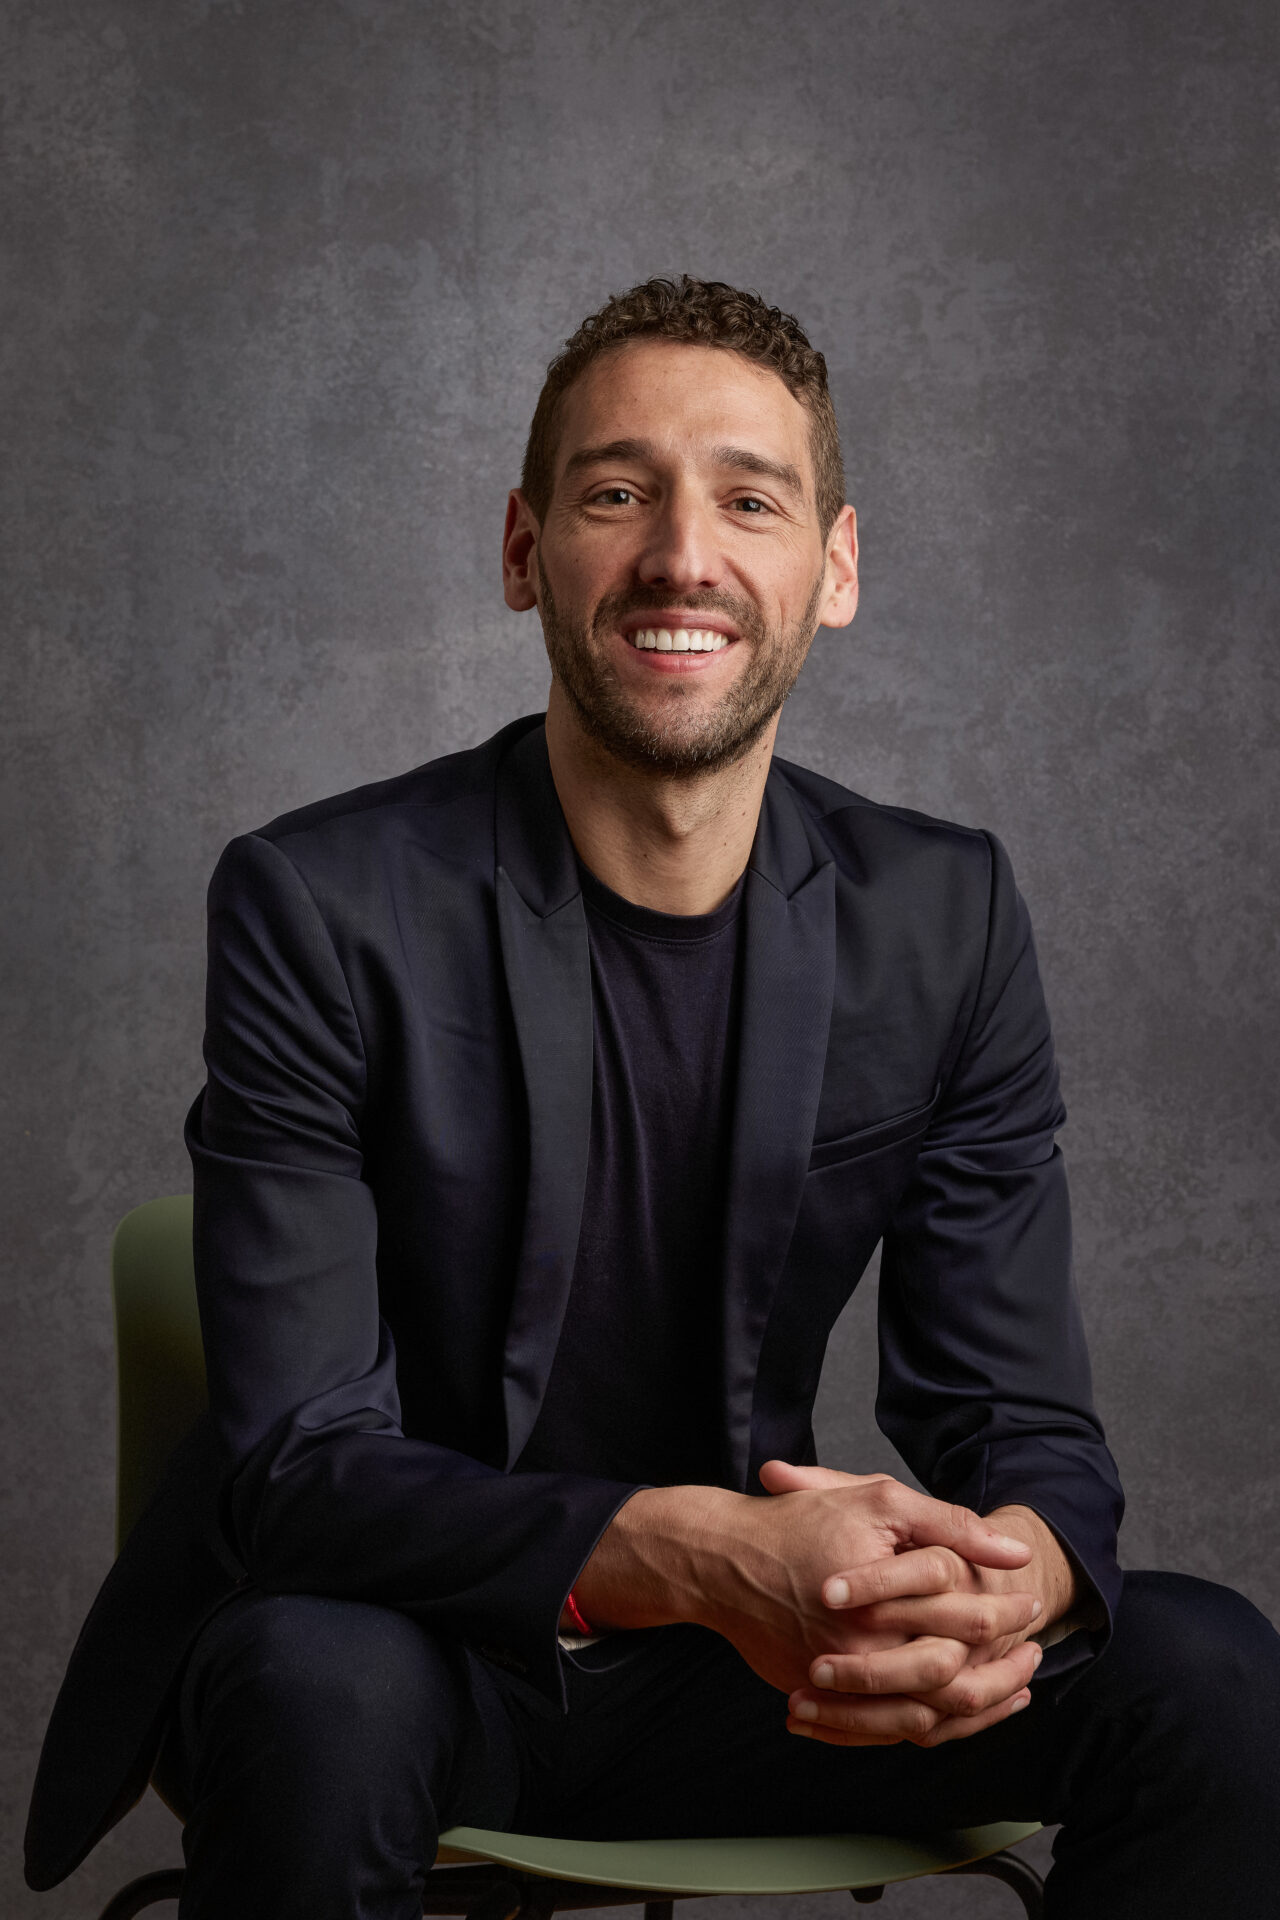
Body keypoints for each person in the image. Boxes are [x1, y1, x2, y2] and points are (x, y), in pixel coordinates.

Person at [26, 276, 1280, 1917]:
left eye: (751, 501)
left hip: (752, 1672)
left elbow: (1017, 1414)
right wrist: (694, 1551)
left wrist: (1019, 1578)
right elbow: (302, 1469)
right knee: (318, 1691)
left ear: (835, 568)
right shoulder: (318, 904)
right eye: (618, 493)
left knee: (1208, 1675)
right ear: (524, 549)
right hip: (404, 1645)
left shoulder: (945, 916)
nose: (684, 555)